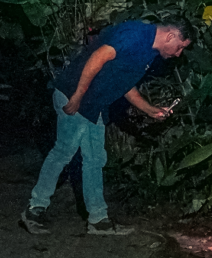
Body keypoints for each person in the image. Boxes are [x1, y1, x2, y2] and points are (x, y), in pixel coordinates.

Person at [21, 18, 194, 236]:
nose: (178, 54)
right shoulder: (135, 35)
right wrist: (77, 96)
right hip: (76, 96)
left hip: (94, 104)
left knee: (94, 159)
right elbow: (98, 57)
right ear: (170, 36)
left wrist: (149, 109)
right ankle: (34, 209)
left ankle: (98, 220)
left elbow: (123, 81)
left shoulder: (149, 51)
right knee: (64, 151)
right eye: (180, 47)